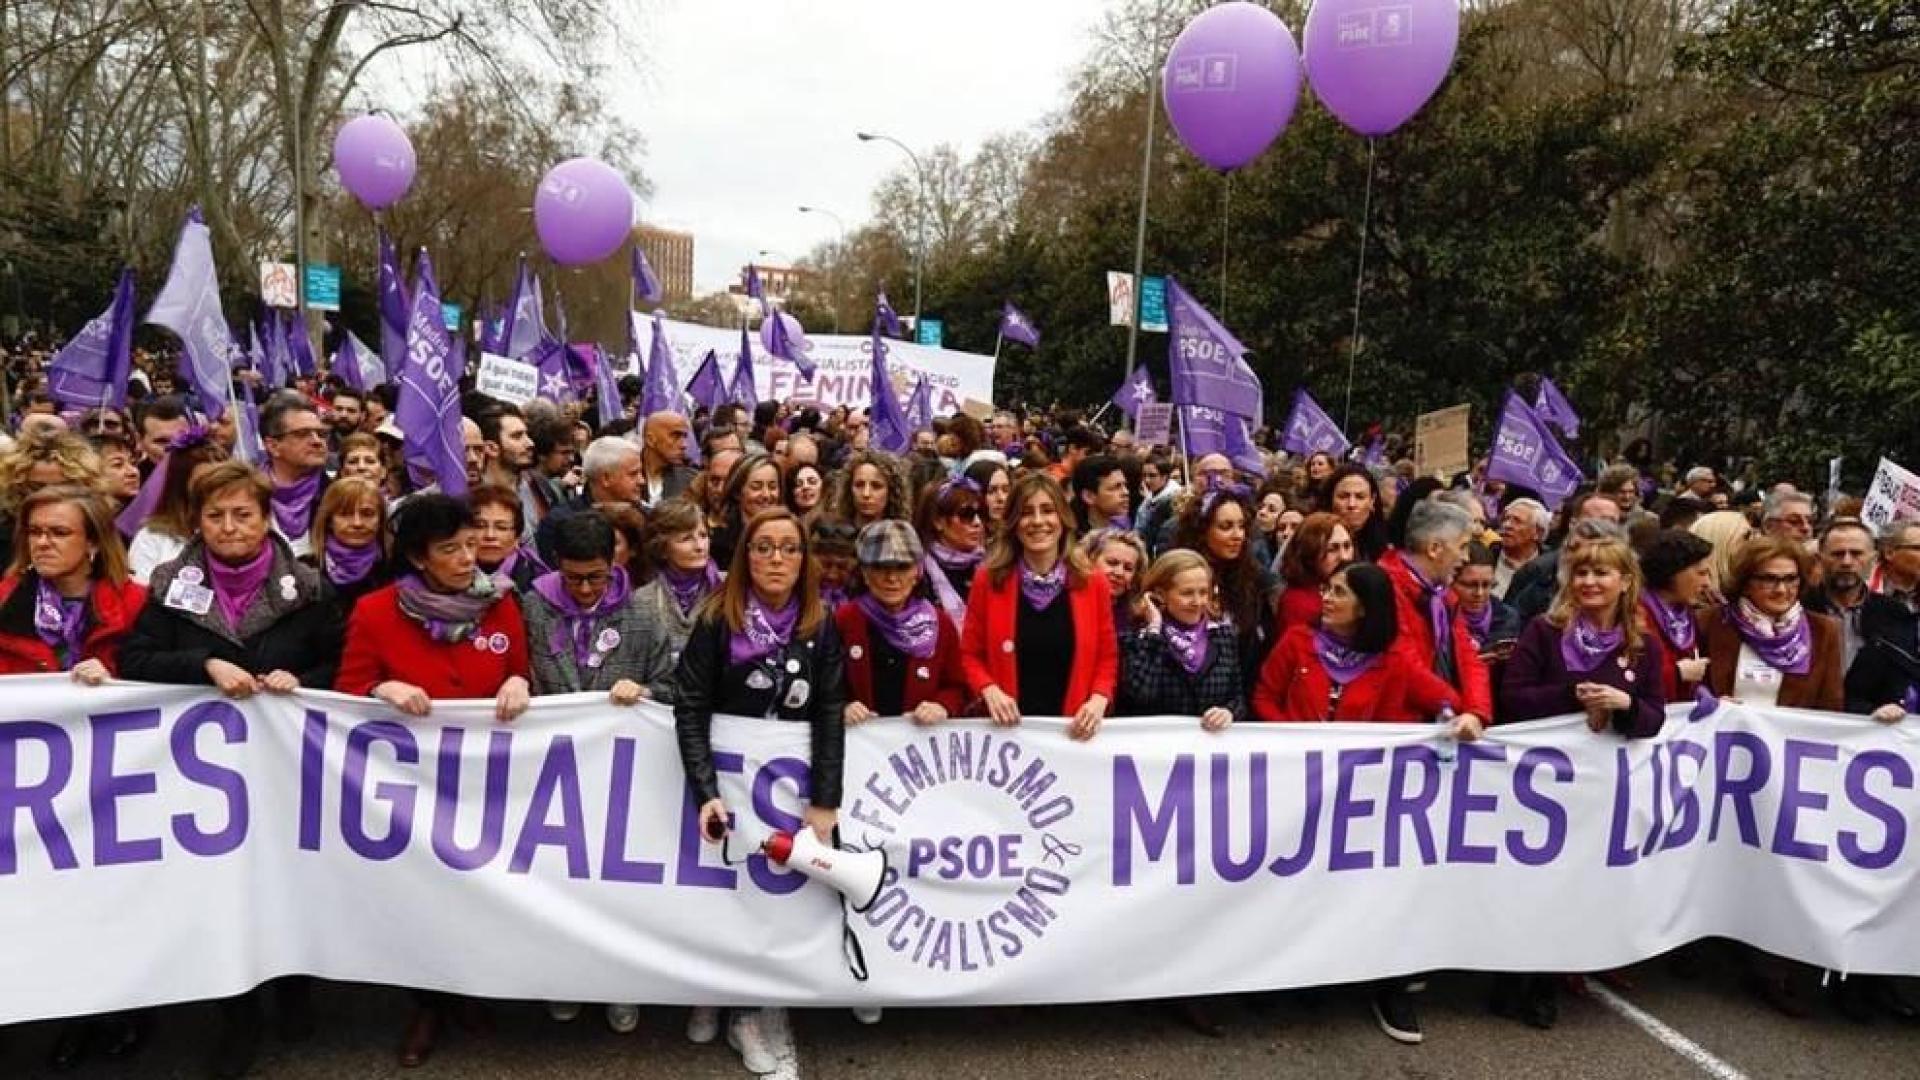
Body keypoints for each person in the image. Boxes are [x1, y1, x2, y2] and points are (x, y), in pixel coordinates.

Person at [119, 461, 342, 1080]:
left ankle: (295, 992)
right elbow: (135, 660)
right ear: (196, 521)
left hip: (287, 770)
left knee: (291, 882)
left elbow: (342, 665)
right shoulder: (168, 588)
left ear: (267, 519)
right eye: (215, 515)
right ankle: (237, 1017)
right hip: (206, 782)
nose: (229, 526)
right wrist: (205, 664)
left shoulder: (310, 589)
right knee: (223, 894)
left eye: (243, 513)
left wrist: (304, 681)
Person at [332, 493, 531, 1067]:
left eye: (472, 544)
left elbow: (519, 668)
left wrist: (519, 681)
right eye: (452, 549)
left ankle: (470, 987)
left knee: (479, 888)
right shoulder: (374, 612)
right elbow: (345, 691)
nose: (470, 557)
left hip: (485, 779)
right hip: (409, 783)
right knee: (421, 894)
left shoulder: (500, 604)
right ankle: (427, 1002)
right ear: (419, 558)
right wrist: (381, 689)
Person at [674, 507, 845, 1074]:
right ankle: (714, 991)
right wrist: (705, 791)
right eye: (764, 547)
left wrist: (824, 797)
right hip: (727, 783)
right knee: (721, 893)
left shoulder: (821, 625)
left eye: (789, 549)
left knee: (777, 898)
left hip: (788, 790)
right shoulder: (716, 620)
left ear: (805, 560)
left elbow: (828, 710)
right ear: (746, 555)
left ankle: (756, 1013)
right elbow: (691, 706)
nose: (777, 559)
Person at [960, 473, 1118, 740]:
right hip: (1007, 734)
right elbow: (969, 655)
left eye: (1047, 511)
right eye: (1026, 513)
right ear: (1013, 522)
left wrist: (1099, 698)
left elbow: (1107, 656)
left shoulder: (1092, 581)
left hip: (1072, 733)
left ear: (1063, 519)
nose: (1037, 521)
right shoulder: (988, 579)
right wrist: (989, 689)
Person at [0, 486, 144, 679]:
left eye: (59, 533)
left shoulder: (137, 602)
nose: (42, 543)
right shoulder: (5, 598)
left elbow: (157, 673)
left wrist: (114, 676)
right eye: (34, 532)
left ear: (93, 542)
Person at [837, 520, 968, 727]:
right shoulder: (843, 621)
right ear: (865, 573)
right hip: (859, 748)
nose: (892, 578)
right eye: (881, 567)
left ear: (917, 572)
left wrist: (941, 706)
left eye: (902, 567)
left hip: (917, 748)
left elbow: (958, 687)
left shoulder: (941, 624)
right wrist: (842, 706)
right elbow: (824, 684)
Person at [1379, 501, 1494, 722]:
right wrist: (1459, 709)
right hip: (1402, 728)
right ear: (1434, 549)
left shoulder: (1444, 596)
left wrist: (1476, 713)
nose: (1466, 557)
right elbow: (1406, 668)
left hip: (1441, 718)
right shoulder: (1385, 589)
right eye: (1462, 547)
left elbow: (1468, 656)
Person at [1700, 536, 1843, 712]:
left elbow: (1831, 706)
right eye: (1769, 579)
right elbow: (1686, 691)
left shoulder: (1823, 630)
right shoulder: (1710, 622)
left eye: (1791, 579)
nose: (1781, 590)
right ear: (1745, 583)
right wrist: (1709, 703)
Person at [1119, 549, 1243, 730]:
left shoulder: (1223, 636)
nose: (1198, 601)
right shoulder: (1138, 636)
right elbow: (1141, 693)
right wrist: (1154, 628)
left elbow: (1237, 696)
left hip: (1209, 750)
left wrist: (1229, 712)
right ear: (1160, 594)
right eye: (1187, 593)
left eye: (1203, 592)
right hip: (1154, 749)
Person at [1171, 479, 1277, 684]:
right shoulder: (1175, 576)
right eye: (1226, 526)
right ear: (1202, 531)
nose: (1238, 535)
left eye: (1242, 526)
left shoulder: (1256, 581)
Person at [631, 497, 718, 667]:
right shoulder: (641, 601)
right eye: (686, 539)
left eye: (703, 535)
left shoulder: (728, 589)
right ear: (662, 548)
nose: (699, 546)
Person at [534, 436, 644, 565]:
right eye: (633, 474)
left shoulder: (646, 517)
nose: (642, 481)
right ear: (606, 478)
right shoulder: (560, 523)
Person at [1638, 528, 1716, 701]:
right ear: (1673, 572)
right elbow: (1629, 678)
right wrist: (1676, 673)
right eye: (1701, 573)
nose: (1707, 583)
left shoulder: (1687, 614)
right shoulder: (1635, 616)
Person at [260, 394, 332, 558]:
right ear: (273, 446)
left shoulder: (338, 496)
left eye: (321, 434)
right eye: (302, 434)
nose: (317, 441)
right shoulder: (248, 495)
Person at [1802, 519, 1877, 669]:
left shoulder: (1893, 613)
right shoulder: (1799, 608)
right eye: (1837, 554)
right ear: (1820, 559)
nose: (1847, 562)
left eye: (1856, 554)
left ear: (1873, 559)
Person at [307, 476, 388, 611]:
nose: (357, 523)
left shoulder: (394, 569)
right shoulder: (306, 570)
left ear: (380, 520)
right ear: (329, 521)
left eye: (367, 514)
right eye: (345, 514)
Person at [915, 476, 987, 628]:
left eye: (980, 513)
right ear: (938, 521)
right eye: (966, 515)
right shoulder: (918, 574)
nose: (977, 522)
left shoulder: (991, 565)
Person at [1275, 513, 1353, 632]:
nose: (1344, 557)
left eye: (1347, 546)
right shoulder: (1297, 604)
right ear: (1310, 554)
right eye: (1332, 549)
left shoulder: (1355, 590)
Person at [711, 452, 783, 568]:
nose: (766, 495)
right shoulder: (717, 543)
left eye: (772, 487)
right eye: (756, 487)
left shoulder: (791, 536)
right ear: (737, 492)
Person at [1452, 541, 1521, 660]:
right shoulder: (1439, 617)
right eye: (1470, 585)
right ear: (1451, 582)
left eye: (1486, 585)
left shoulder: (1507, 618)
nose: (1479, 593)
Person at [470, 483, 543, 593]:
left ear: (517, 537)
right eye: (479, 526)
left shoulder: (535, 584)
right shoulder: (442, 580)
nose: (490, 535)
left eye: (501, 527)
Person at [1081, 527, 1147, 640]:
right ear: (1089, 561)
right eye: (1112, 563)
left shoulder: (1136, 619)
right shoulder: (1068, 605)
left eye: (1128, 568)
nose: (1119, 573)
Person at [824, 449, 910, 531]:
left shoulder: (900, 537)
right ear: (849, 489)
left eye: (876, 486)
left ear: (891, 492)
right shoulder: (831, 533)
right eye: (859, 485)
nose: (866, 494)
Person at [1323, 463, 1389, 561]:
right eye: (1343, 496)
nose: (1351, 504)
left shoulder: (1388, 548)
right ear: (1330, 499)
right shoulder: (1312, 543)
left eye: (1360, 497)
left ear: (1372, 501)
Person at [1493, 498, 1550, 599]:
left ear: (1538, 533)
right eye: (1506, 519)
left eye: (1517, 521)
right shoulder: (1488, 554)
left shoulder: (1549, 569)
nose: (1507, 525)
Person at [640, 410, 699, 506]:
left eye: (684, 437)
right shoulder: (626, 475)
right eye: (675, 436)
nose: (684, 445)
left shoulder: (692, 481)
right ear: (650, 440)